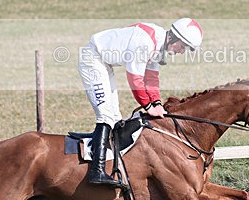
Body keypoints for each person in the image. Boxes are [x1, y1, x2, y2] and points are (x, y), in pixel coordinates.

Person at [78, 18, 203, 185]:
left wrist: (157, 103)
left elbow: (151, 79)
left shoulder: (159, 45)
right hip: (93, 59)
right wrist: (148, 106)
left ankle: (112, 164)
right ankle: (97, 171)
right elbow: (135, 80)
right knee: (106, 115)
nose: (182, 51)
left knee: (115, 116)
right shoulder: (145, 43)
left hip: (104, 62)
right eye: (183, 46)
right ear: (173, 37)